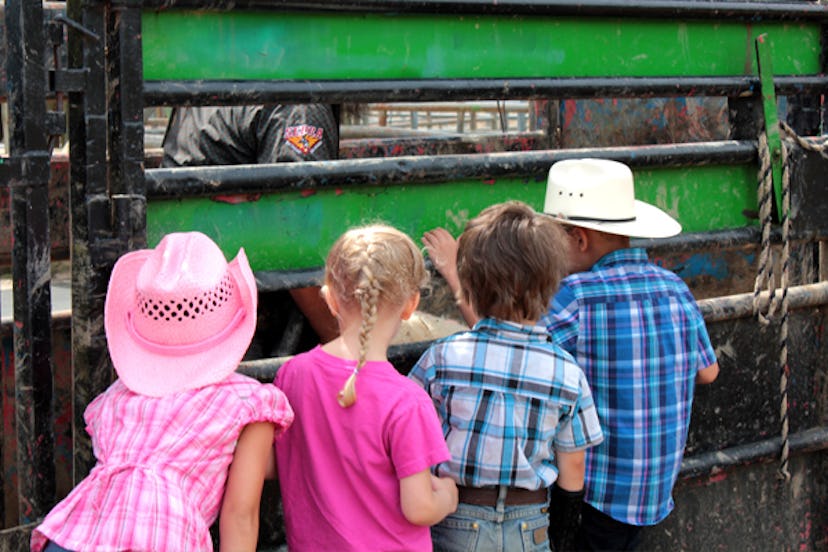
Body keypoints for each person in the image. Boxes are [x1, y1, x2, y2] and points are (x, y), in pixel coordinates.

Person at [30, 231, 295, 552]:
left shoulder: (117, 398)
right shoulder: (248, 402)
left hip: (75, 534)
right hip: (160, 536)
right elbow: (240, 515)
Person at [540, 158, 720, 550]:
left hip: (596, 493)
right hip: (653, 490)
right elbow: (708, 372)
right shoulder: (674, 286)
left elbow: (517, 350)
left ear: (579, 239)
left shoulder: (576, 297)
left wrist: (459, 278)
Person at [410, 201, 604, 552]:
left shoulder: (443, 357)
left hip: (455, 513)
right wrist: (561, 534)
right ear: (551, 285)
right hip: (530, 523)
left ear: (468, 286)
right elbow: (573, 467)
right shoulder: (566, 372)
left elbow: (409, 429)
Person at [274, 224, 459, 551]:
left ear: (330, 297)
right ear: (411, 304)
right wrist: (447, 496)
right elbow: (419, 508)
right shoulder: (407, 401)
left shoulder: (292, 374)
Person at [162, 104, 342, 348]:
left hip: (188, 299)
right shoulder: (298, 105)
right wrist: (342, 341)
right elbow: (291, 239)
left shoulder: (207, 82)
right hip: (250, 323)